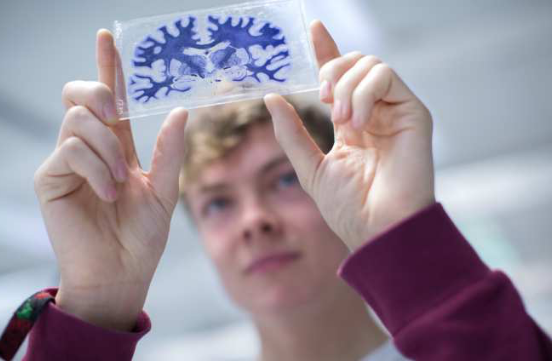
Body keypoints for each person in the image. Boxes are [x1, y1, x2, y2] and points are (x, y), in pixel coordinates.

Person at [4, 20, 551, 361]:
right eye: (217, 202)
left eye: (285, 179)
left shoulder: (471, 342)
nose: (254, 221)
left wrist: (408, 243)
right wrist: (96, 304)